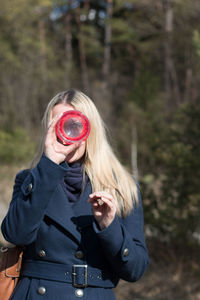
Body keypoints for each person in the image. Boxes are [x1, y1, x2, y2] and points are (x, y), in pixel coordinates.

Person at [1, 89, 149, 300]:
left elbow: (135, 270)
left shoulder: (122, 187)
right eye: (57, 124)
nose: (65, 133)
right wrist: (49, 165)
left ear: (90, 131)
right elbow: (15, 234)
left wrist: (109, 226)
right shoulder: (29, 180)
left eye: (74, 125)